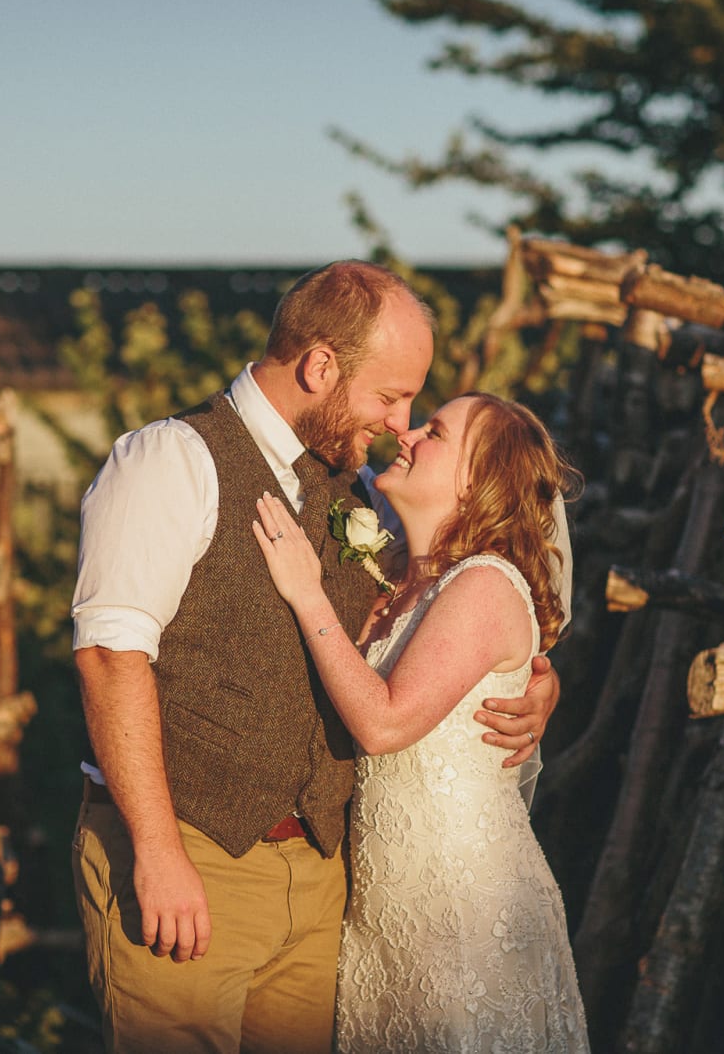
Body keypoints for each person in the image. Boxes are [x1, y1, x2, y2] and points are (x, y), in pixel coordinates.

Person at [70, 260, 561, 1053]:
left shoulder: (365, 489)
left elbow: (461, 601)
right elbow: (108, 656)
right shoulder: (170, 460)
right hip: (194, 855)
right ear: (321, 367)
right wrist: (158, 853)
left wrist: (533, 680)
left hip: (327, 878)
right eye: (391, 396)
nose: (401, 423)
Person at [252, 391, 589, 1052]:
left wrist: (306, 593)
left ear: (476, 482)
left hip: (465, 910)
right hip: (385, 913)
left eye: (433, 432)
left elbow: (383, 724)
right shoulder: (397, 582)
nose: (404, 435)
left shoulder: (485, 584)